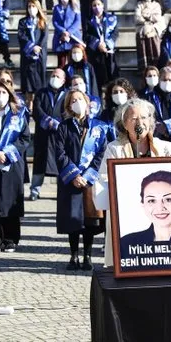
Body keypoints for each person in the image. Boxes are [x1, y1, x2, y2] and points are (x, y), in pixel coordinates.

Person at [95, 98, 171, 267]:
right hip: (126, 213)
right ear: (125, 124)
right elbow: (104, 177)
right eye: (134, 118)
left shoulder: (166, 149)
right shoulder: (114, 149)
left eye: (145, 117)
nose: (140, 122)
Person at [55, 89, 108, 269]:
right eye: (73, 101)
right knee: (73, 219)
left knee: (89, 221)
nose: (77, 103)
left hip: (90, 180)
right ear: (69, 106)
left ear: (87, 102)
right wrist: (74, 175)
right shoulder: (63, 127)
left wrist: (89, 174)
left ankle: (87, 256)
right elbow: (60, 153)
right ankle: (73, 255)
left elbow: (102, 152)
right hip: (71, 180)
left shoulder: (99, 127)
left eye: (80, 99)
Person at [0, 81, 30, 253]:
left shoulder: (18, 114)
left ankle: (11, 239)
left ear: (10, 94)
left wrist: (7, 153)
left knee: (11, 201)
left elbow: (25, 138)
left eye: (4, 92)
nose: (0, 95)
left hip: (12, 163)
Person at [30, 68, 66, 201]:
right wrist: (47, 120)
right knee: (40, 161)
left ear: (63, 80)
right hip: (43, 133)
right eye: (53, 75)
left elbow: (68, 112)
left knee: (60, 160)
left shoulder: (67, 94)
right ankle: (35, 190)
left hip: (59, 135)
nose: (54, 78)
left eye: (58, 76)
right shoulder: (41, 92)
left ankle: (61, 190)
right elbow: (37, 110)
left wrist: (59, 124)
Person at [19, 0, 48, 106]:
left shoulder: (42, 22)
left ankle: (38, 103)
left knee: (39, 81)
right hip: (27, 56)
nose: (31, 9)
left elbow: (44, 37)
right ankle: (29, 103)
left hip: (39, 56)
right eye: (29, 7)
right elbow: (22, 36)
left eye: (33, 6)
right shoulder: (23, 22)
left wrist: (38, 47)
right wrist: (31, 47)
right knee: (27, 82)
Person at [84, 0, 118, 91]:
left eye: (98, 4)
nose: (97, 7)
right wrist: (98, 44)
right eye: (94, 5)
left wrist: (106, 45)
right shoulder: (88, 20)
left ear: (103, 5)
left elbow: (115, 33)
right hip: (95, 52)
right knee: (98, 77)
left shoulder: (111, 18)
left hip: (109, 51)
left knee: (112, 75)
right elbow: (86, 35)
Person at [135, 0, 166, 71]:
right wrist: (146, 20)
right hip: (142, 28)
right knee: (142, 39)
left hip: (154, 29)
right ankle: (144, 69)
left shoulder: (156, 5)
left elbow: (157, 17)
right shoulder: (140, 4)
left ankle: (156, 67)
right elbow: (137, 17)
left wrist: (146, 15)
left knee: (154, 46)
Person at [52, 0, 82, 67]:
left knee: (73, 63)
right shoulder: (56, 8)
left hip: (73, 38)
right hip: (60, 37)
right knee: (61, 64)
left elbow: (77, 21)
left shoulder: (75, 7)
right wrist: (63, 31)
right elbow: (55, 22)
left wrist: (69, 32)